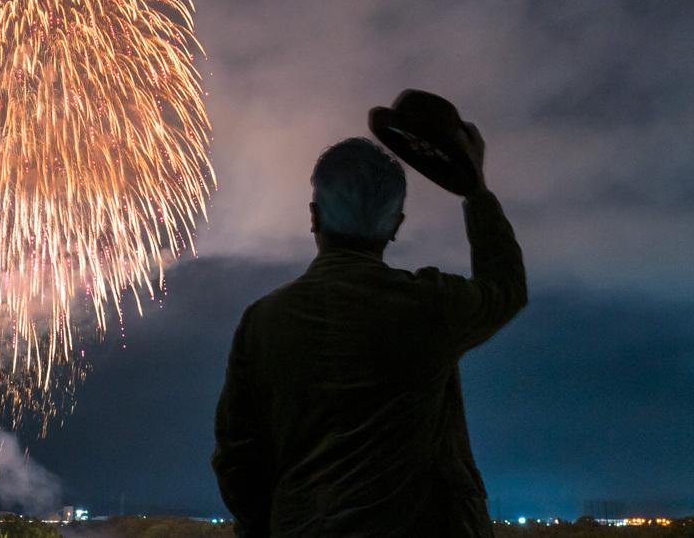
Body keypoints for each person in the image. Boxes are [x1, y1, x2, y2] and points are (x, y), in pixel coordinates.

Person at [212, 125, 526, 537]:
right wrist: (476, 193)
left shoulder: (262, 322)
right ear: (395, 225)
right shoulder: (431, 307)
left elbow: (236, 459)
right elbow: (507, 286)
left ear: (313, 217)